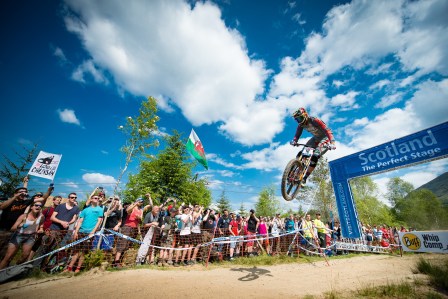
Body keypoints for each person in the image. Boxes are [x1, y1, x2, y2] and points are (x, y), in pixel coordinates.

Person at [290, 107, 336, 186]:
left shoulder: (315, 120)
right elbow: (298, 133)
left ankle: (304, 178)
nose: (299, 121)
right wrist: (295, 140)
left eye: (300, 118)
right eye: (297, 120)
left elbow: (327, 130)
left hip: (324, 138)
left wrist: (332, 142)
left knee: (315, 155)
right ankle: (293, 171)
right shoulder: (301, 125)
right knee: (301, 153)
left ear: (305, 115)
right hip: (315, 138)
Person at [64, 195, 104, 273]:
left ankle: (78, 268)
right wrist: (76, 232)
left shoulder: (100, 209)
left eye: (98, 198)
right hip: (81, 232)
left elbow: (99, 221)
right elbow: (80, 221)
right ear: (91, 199)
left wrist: (93, 231)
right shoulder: (85, 210)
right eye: (95, 198)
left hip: (90, 233)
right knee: (76, 251)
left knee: (84, 252)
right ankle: (69, 267)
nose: (97, 199)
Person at [0, 202, 44, 269]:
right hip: (18, 235)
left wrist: (40, 229)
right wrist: (19, 226)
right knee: (8, 257)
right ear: (31, 207)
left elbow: (41, 225)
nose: (38, 207)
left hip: (30, 237)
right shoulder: (23, 216)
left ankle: (14, 268)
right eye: (36, 205)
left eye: (40, 206)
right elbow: (12, 228)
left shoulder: (41, 217)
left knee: (25, 256)